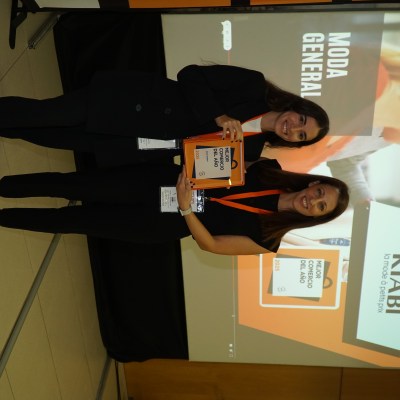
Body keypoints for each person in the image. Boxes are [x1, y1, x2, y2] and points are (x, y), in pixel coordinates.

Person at [0, 64, 329, 167]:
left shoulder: (252, 150)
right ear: (296, 107)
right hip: (130, 102)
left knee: (48, 135)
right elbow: (190, 75)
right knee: (42, 113)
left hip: (134, 143)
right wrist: (218, 116)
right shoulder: (253, 86)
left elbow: (194, 161)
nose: (293, 129)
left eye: (301, 136)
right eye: (301, 121)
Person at [0, 159, 349, 255]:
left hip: (162, 223)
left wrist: (186, 209)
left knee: (71, 220)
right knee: (70, 183)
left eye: (321, 207)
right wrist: (194, 170)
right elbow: (214, 164)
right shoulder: (268, 169)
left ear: (316, 217)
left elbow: (211, 244)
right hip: (156, 181)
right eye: (319, 192)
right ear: (313, 183)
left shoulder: (269, 239)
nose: (312, 201)